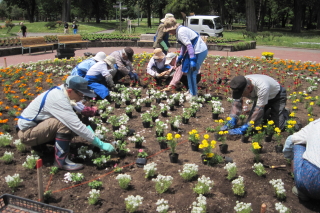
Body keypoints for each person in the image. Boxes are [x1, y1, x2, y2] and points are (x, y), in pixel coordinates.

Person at [17, 76, 116, 171]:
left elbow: (79, 112)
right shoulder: (59, 99)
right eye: (81, 95)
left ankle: (40, 146)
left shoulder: (62, 92)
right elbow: (75, 125)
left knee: (71, 120)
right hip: (27, 134)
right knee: (64, 124)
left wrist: (89, 130)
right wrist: (100, 144)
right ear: (70, 91)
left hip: (34, 129)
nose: (81, 98)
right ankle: (62, 161)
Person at [222, 74, 289, 135]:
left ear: (249, 87)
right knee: (257, 124)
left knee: (279, 127)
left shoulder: (262, 87)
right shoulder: (241, 83)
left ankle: (285, 112)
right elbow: (237, 103)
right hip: (260, 98)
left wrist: (246, 126)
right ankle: (268, 113)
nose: (241, 95)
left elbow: (258, 110)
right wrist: (232, 118)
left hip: (277, 96)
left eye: (242, 94)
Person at [163, 17, 208, 100]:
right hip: (195, 50)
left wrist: (192, 60)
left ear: (172, 28)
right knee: (187, 71)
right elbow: (184, 45)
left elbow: (189, 46)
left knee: (192, 72)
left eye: (169, 31)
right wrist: (180, 56)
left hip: (199, 50)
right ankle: (191, 91)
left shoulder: (180, 32)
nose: (169, 33)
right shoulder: (180, 30)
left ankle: (194, 95)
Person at [282, 118, 320, 200]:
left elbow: (290, 140)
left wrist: (290, 159)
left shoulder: (316, 124)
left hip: (310, 179)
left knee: (298, 143)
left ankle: (303, 190)